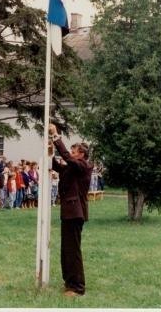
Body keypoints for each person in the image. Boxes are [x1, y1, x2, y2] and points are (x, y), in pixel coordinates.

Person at [49, 123, 93, 297]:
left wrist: (56, 136)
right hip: (69, 211)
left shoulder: (84, 165)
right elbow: (60, 167)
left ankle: (78, 288)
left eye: (74, 152)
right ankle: (70, 282)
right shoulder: (73, 167)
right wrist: (49, 151)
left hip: (75, 212)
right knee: (66, 249)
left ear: (81, 155)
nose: (71, 155)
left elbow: (67, 158)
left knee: (73, 250)